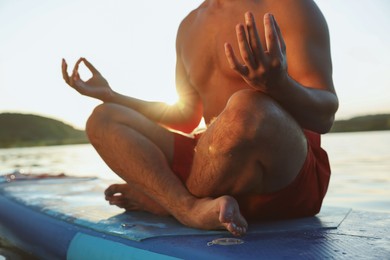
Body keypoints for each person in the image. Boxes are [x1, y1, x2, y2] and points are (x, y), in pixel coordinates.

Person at [62, 0, 338, 236]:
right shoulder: (188, 26)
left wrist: (280, 86)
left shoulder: (288, 6)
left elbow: (325, 116)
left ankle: (163, 200)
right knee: (105, 118)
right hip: (210, 164)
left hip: (283, 176)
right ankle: (188, 208)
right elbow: (185, 117)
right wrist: (112, 95)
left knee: (247, 107)